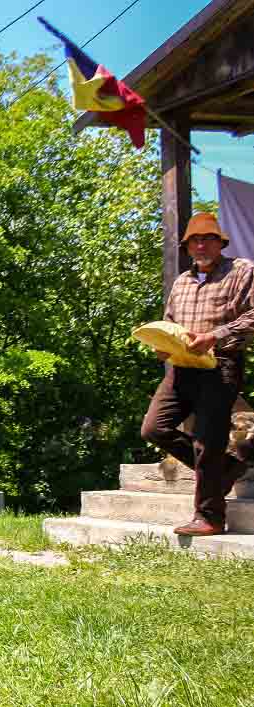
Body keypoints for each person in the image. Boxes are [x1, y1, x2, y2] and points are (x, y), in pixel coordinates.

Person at [141, 212, 254, 535]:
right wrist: (162, 345)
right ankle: (226, 470)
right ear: (187, 246)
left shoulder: (241, 271)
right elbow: (170, 322)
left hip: (221, 365)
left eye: (208, 239)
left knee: (207, 443)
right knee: (154, 429)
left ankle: (210, 518)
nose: (201, 245)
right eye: (195, 241)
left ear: (221, 243)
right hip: (181, 367)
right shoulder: (182, 282)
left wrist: (214, 336)